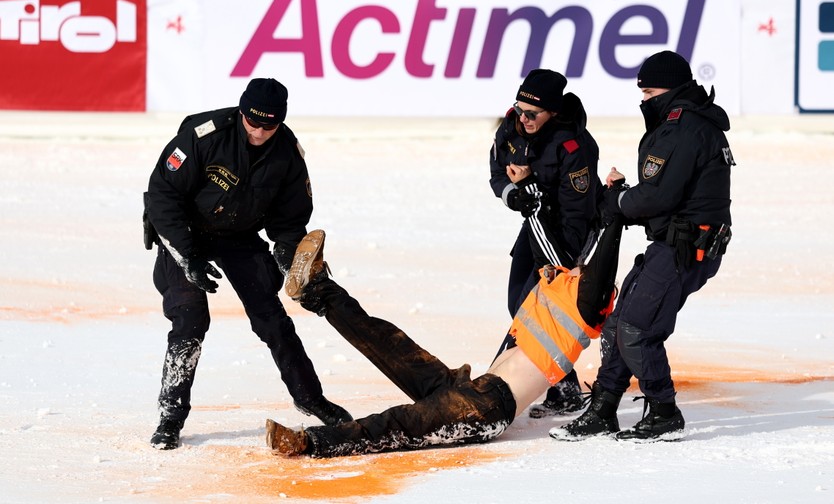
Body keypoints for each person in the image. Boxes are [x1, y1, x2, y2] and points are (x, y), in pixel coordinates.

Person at [264, 215, 624, 457]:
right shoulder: (561, 289)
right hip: (468, 386)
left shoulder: (582, 309)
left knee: (397, 425)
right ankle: (318, 290)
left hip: (483, 411)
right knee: (388, 343)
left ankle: (309, 443)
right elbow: (591, 253)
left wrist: (618, 217)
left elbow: (603, 264)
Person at [143, 78, 352, 450]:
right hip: (183, 231)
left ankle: (309, 398)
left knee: (272, 318)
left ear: (280, 123)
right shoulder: (203, 136)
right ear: (242, 113)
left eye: (268, 126)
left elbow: (289, 223)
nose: (258, 132)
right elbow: (162, 194)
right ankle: (170, 417)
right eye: (252, 123)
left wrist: (289, 260)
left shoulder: (287, 154)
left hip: (237, 236)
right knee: (190, 317)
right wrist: (186, 254)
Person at [550, 50, 734, 443]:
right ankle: (602, 409)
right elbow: (665, 194)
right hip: (675, 242)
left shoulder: (683, 128)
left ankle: (665, 413)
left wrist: (617, 200)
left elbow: (658, 196)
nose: (643, 100)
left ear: (669, 89)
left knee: (636, 328)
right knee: (618, 324)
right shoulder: (685, 124)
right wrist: (627, 197)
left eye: (648, 91)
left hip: (686, 248)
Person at [489, 68, 603, 417]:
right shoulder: (511, 126)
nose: (523, 118)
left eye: (532, 114)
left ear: (552, 112)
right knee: (516, 303)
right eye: (519, 109)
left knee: (534, 307)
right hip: (533, 220)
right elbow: (496, 173)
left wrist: (530, 195)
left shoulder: (574, 146)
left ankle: (514, 390)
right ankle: (564, 386)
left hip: (568, 231)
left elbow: (575, 216)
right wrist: (514, 196)